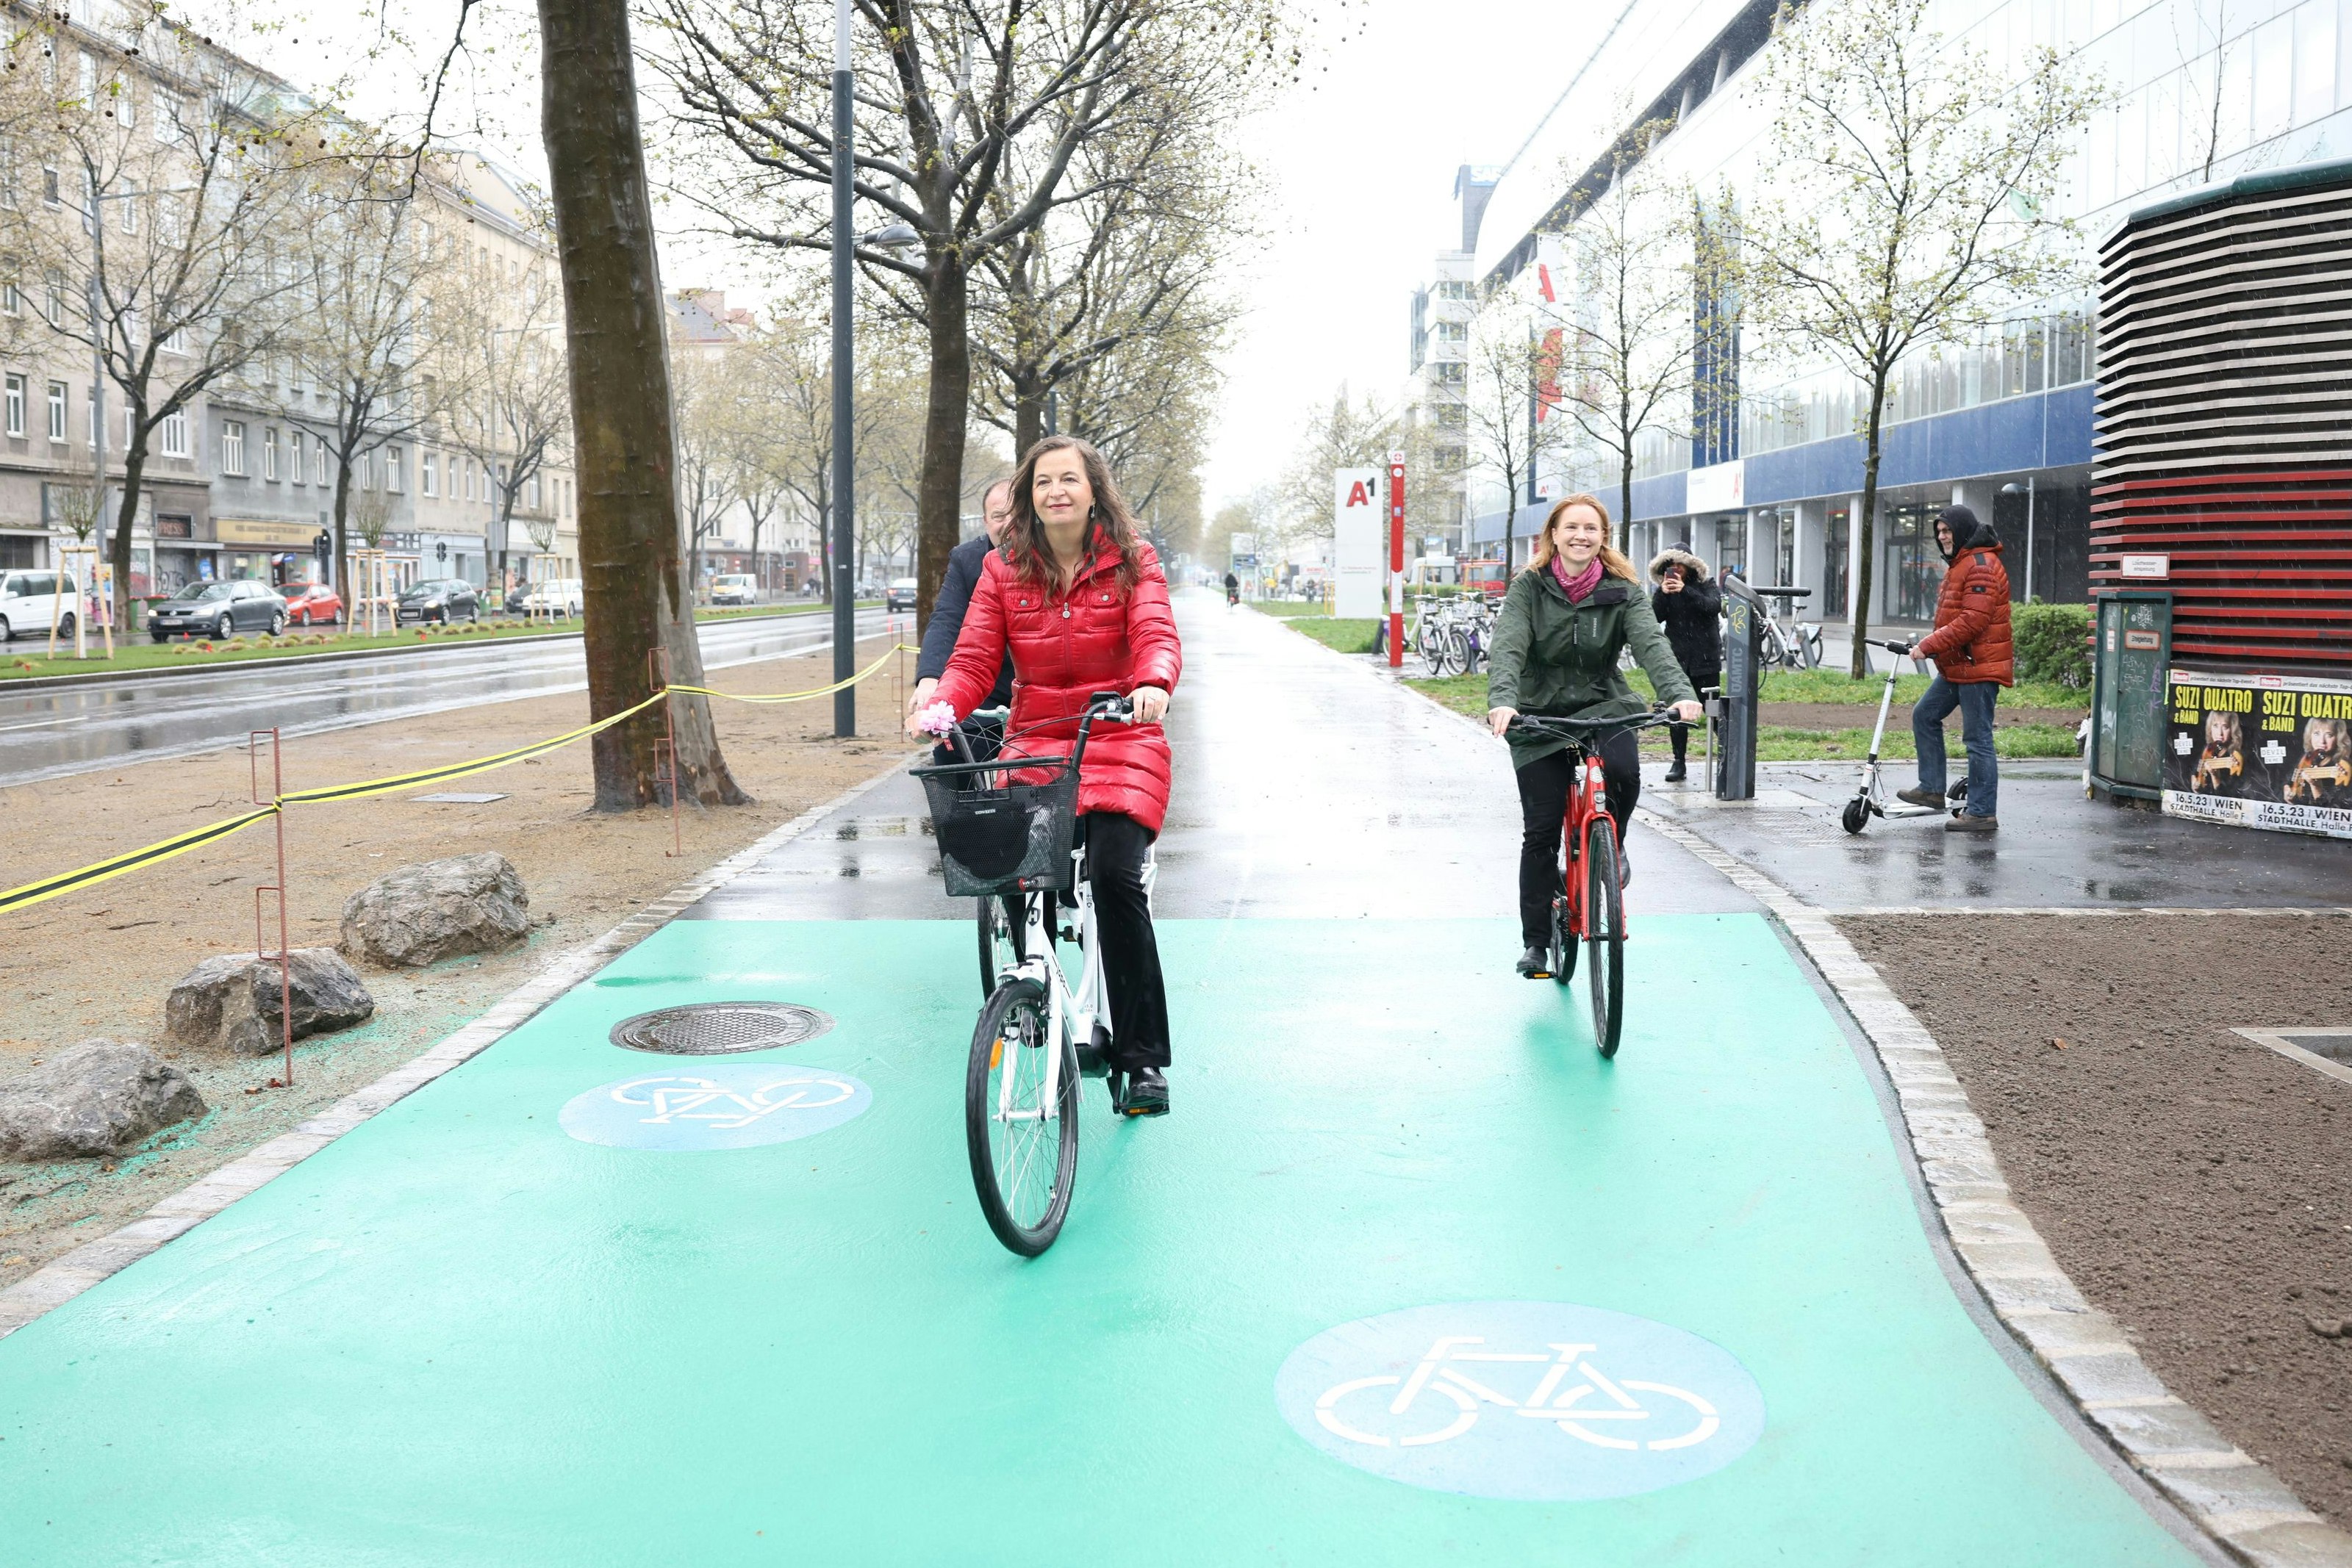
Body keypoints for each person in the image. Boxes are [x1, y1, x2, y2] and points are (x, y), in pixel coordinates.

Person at [919, 435, 1183, 1115]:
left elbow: (1156, 633)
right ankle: (1032, 985)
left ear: (1094, 490)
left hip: (1119, 734)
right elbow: (974, 657)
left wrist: (1152, 684)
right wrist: (943, 703)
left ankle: (1142, 1059)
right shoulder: (1003, 569)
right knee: (1003, 858)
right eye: (1042, 482)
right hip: (1037, 738)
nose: (1056, 491)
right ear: (1028, 497)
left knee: (1116, 876)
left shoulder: (1133, 560)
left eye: (1069, 479)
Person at [1487, 494, 1703, 979]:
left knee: (1624, 771)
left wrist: (1679, 694)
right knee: (1541, 831)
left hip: (1604, 704)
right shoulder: (1529, 588)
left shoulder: (1622, 590)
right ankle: (1537, 942)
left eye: (1591, 528)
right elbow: (1509, 647)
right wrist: (1504, 700)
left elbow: (1652, 646)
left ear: (1604, 536)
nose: (1581, 536)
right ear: (1554, 535)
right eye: (1572, 527)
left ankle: (1612, 842)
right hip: (1539, 714)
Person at [1893, 505, 2012, 832]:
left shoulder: (1981, 565)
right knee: (1925, 715)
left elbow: (1973, 620)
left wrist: (1929, 645)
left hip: (1978, 666)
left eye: (1947, 531)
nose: (1943, 537)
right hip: (1959, 665)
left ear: (1962, 531)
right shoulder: (1961, 562)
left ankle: (1983, 813)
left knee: (1977, 739)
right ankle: (1932, 788)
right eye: (1939, 532)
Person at [908, 478, 1017, 761]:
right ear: (985, 521)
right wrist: (930, 679)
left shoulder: (1056, 559)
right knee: (951, 749)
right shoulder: (967, 559)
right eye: (999, 516)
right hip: (986, 688)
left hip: (1042, 689)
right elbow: (947, 619)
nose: (1009, 524)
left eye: (1018, 515)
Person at [1647, 547, 1722, 783]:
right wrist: (1662, 593)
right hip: (1678, 661)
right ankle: (1678, 761)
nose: (1675, 569)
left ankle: (1729, 755)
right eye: (1670, 565)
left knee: (1714, 711)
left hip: (1705, 660)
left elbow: (1713, 607)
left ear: (1690, 566)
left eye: (1680, 564)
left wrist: (1686, 590)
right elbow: (1653, 618)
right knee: (1677, 712)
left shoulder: (1706, 585)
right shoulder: (1666, 590)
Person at [2287, 716, 2351, 807]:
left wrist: (2316, 787)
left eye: (2329, 735)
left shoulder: (2343, 767)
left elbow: (2332, 809)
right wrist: (2287, 788)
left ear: (2339, 738)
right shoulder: (2307, 757)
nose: (2322, 741)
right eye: (2317, 734)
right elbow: (2290, 778)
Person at [2190, 709, 2246, 795]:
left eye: (2225, 727)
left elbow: (2228, 796)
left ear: (2233, 730)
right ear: (2210, 728)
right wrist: (2196, 785)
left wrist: (2215, 776)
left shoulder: (2236, 757)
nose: (2220, 733)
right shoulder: (2208, 749)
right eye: (2215, 726)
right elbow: (2195, 773)